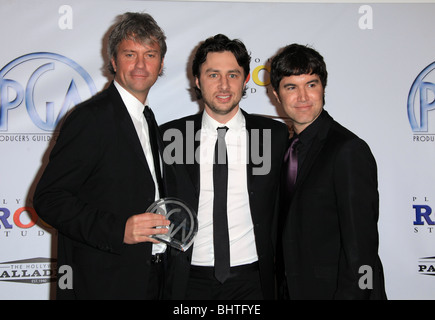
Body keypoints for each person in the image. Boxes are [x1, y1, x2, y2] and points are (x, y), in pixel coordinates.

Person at [33, 12, 170, 300]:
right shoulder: (91, 118)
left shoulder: (148, 119)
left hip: (149, 277)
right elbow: (50, 199)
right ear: (113, 60)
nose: (141, 65)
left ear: (160, 64)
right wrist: (118, 229)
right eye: (130, 54)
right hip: (103, 284)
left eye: (150, 54)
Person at [161, 34, 289, 300]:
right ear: (197, 80)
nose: (223, 85)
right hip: (188, 281)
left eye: (233, 75)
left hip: (253, 281)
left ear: (245, 80)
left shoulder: (274, 135)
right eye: (213, 74)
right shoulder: (171, 137)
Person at [270, 43, 387, 299]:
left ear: (323, 88)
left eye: (311, 85)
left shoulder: (348, 150)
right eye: (291, 87)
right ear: (277, 96)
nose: (303, 97)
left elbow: (362, 249)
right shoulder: (283, 151)